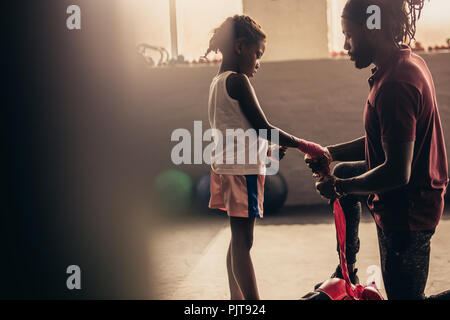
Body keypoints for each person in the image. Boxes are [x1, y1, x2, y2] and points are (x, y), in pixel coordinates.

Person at [306, 0, 448, 300]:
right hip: (404, 197)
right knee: (343, 169)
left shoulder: (396, 84)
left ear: (372, 29)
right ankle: (348, 266)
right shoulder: (403, 65)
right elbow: (385, 140)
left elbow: (397, 171)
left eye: (348, 35)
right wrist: (331, 154)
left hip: (408, 210)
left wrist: (340, 188)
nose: (345, 45)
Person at [206, 15, 326, 300]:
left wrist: (269, 150)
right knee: (244, 242)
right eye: (257, 54)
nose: (258, 63)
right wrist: (305, 145)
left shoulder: (218, 82)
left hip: (227, 168)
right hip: (240, 171)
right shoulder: (237, 81)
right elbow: (264, 127)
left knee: (238, 240)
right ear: (239, 46)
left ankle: (237, 299)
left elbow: (238, 129)